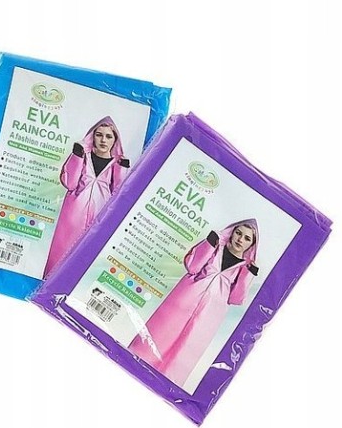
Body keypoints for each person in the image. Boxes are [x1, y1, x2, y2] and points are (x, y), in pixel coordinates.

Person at [128, 219, 260, 388]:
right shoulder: (216, 247)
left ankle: (167, 382)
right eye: (238, 233)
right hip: (185, 298)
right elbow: (192, 266)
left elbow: (236, 299)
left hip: (211, 313)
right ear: (232, 232)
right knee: (162, 330)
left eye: (247, 238)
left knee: (188, 346)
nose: (240, 239)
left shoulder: (244, 269)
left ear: (252, 245)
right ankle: (135, 357)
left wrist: (249, 274)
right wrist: (208, 244)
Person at [44, 116, 130, 276]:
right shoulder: (83, 157)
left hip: (99, 216)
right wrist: (76, 156)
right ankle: (47, 283)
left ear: (115, 140)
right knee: (61, 254)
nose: (103, 140)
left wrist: (122, 169)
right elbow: (69, 183)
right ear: (93, 136)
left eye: (108, 136)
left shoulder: (117, 165)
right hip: (73, 214)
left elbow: (118, 195)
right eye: (99, 135)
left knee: (87, 259)